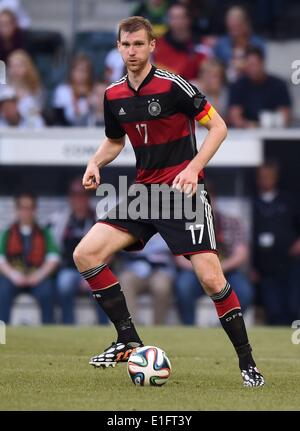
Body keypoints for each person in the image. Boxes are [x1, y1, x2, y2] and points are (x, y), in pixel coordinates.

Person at [73, 16, 264, 387]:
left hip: (182, 193)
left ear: (151, 46)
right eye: (126, 45)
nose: (132, 52)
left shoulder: (174, 86)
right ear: (118, 47)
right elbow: (115, 142)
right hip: (145, 192)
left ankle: (248, 364)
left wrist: (194, 169)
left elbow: (219, 126)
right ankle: (127, 339)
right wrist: (95, 161)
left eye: (139, 45)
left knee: (211, 279)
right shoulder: (113, 95)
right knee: (85, 254)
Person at [175, 190, 253, 324]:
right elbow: (178, 257)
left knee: (245, 292)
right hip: (196, 272)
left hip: (226, 271)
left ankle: (226, 327)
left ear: (214, 200)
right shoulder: (185, 223)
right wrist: (203, 270)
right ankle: (188, 328)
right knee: (183, 287)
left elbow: (241, 254)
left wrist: (217, 269)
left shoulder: (231, 222)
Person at [49, 178, 108, 324]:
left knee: (101, 286)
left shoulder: (99, 219)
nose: (78, 198)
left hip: (93, 269)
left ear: (88, 197)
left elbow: (109, 251)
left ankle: (104, 328)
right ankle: (68, 326)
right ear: (69, 197)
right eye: (74, 194)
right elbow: (53, 250)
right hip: (69, 269)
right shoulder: (60, 220)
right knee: (64, 284)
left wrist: (92, 274)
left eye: (82, 194)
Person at [0, 192, 60, 323]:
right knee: (2, 291)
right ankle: (2, 334)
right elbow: (1, 259)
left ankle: (49, 333)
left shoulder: (44, 232)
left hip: (37, 277)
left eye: (29, 208)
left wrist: (38, 276)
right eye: (22, 208)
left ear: (34, 210)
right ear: (17, 210)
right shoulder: (8, 232)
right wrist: (13, 275)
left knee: (47, 292)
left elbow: (53, 258)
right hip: (13, 278)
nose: (26, 212)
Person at [252, 162, 300, 325]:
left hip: (290, 262)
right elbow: (248, 237)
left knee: (294, 305)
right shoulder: (253, 203)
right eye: (262, 177)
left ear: (276, 178)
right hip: (266, 266)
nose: (265, 180)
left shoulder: (290, 200)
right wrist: (252, 266)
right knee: (273, 308)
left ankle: (294, 340)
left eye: (268, 176)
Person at [118, 234, 176, 324]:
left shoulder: (169, 225)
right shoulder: (134, 224)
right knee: (125, 280)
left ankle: (158, 328)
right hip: (135, 269)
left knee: (161, 286)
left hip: (160, 270)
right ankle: (131, 327)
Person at [228, 47, 291, 128]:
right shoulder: (238, 86)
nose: (252, 69)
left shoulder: (278, 84)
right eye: (249, 65)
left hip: (275, 131)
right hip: (246, 133)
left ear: (262, 63)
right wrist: (251, 125)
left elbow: (285, 115)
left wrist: (269, 123)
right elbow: (235, 117)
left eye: (255, 64)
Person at [153, 4, 209, 80]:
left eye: (180, 17)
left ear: (188, 20)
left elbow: (206, 72)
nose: (177, 22)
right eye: (173, 18)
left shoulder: (200, 46)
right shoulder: (158, 45)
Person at [214, 5, 265, 83]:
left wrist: (242, 64)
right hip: (226, 83)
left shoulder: (258, 43)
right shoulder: (221, 44)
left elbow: (257, 65)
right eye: (231, 27)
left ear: (245, 24)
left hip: (252, 82)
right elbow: (218, 64)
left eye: (237, 26)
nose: (234, 31)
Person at [52, 53, 102, 127]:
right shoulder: (62, 91)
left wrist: (90, 99)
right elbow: (59, 118)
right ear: (71, 72)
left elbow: (101, 116)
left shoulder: (97, 90)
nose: (81, 74)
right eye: (78, 70)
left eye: (85, 71)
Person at [7, 49, 44, 124]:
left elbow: (37, 111)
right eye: (12, 66)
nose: (15, 70)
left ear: (27, 67)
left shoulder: (34, 88)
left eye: (18, 66)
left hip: (28, 124)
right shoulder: (3, 88)